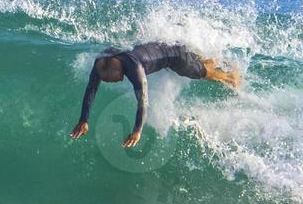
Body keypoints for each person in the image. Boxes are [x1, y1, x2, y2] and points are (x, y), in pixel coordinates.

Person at [69, 42, 240, 147]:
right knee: (199, 62)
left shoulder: (135, 68)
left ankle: (231, 77)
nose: (110, 81)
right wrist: (83, 120)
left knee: (203, 73)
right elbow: (91, 89)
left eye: (110, 79)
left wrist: (137, 131)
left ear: (115, 68)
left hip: (175, 58)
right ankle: (217, 61)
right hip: (162, 45)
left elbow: (143, 101)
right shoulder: (103, 60)